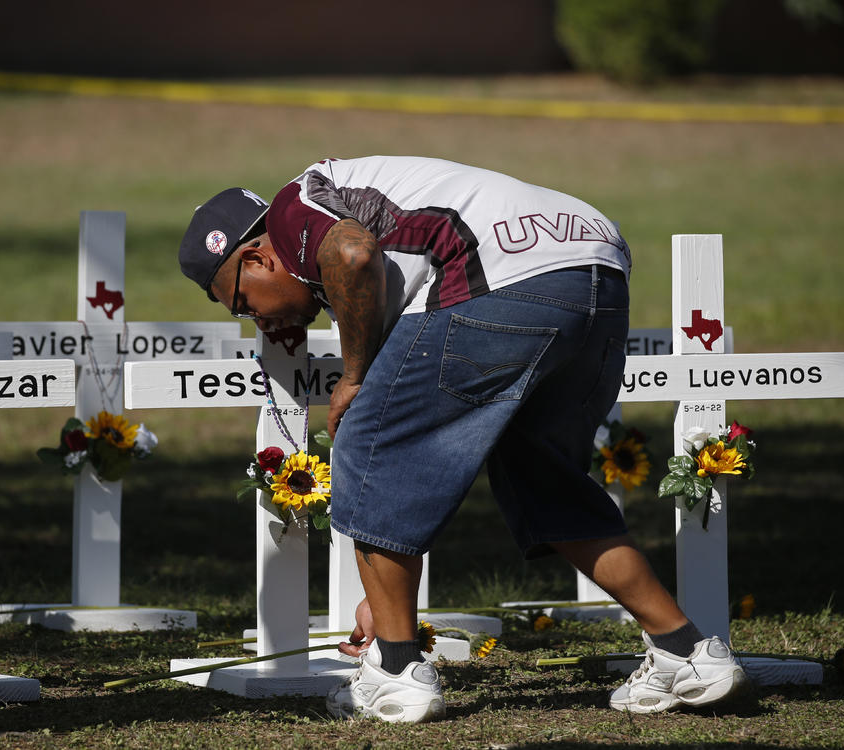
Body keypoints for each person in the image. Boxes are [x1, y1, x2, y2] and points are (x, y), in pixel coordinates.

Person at [178, 156, 746, 723]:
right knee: (543, 478)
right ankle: (686, 652)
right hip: (596, 268)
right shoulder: (341, 203)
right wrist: (384, 596)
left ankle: (396, 671)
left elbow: (352, 256)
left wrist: (354, 378)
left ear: (257, 257)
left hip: (502, 275)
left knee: (369, 442)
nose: (255, 318)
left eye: (240, 301)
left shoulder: (291, 212)